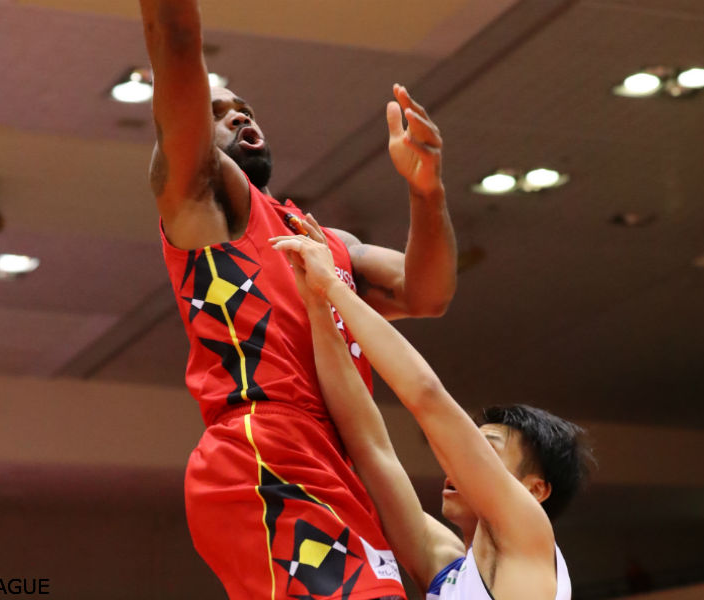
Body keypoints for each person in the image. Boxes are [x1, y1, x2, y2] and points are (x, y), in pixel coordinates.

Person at [137, 1, 457, 598]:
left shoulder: (324, 244)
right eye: (215, 112)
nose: (237, 115)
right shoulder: (204, 205)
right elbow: (176, 40)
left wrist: (427, 192)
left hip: (345, 458)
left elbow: (427, 292)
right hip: (265, 444)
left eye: (244, 109)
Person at [272, 224, 592, 600]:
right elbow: (368, 447)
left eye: (487, 448)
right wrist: (318, 306)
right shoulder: (444, 563)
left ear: (535, 489)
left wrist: (333, 286)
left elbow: (427, 396)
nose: (458, 461)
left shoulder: (529, 538)